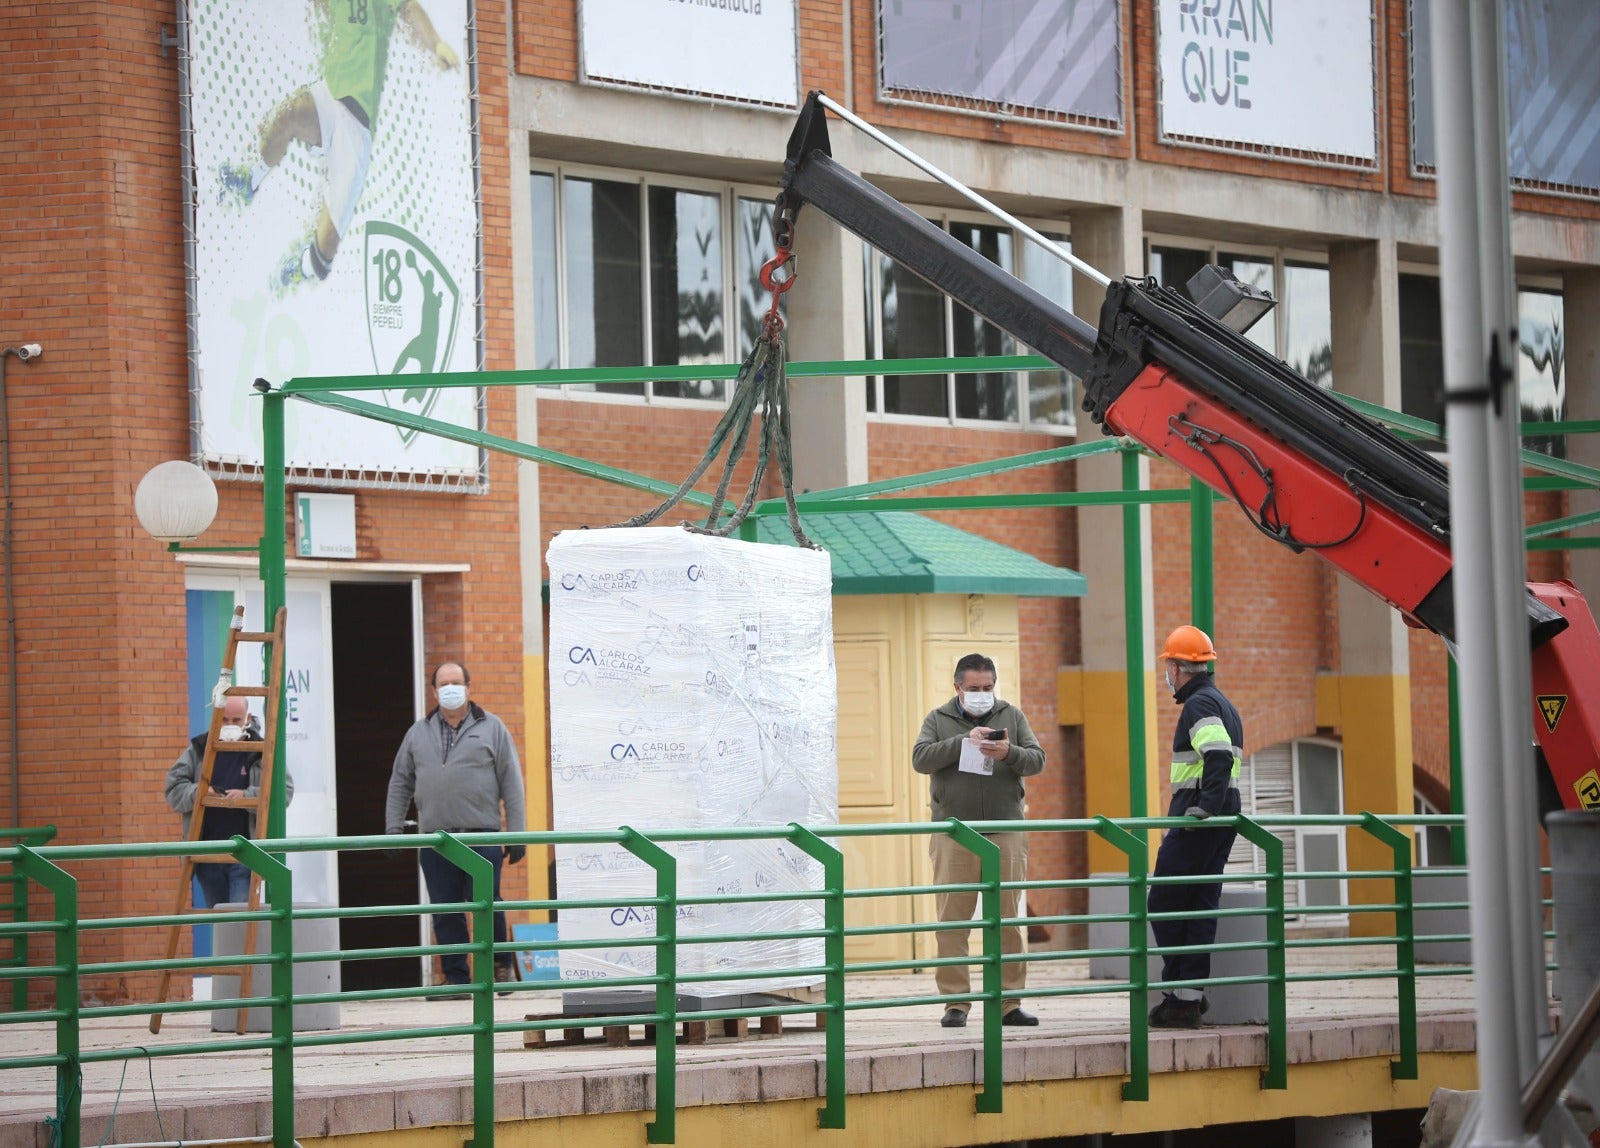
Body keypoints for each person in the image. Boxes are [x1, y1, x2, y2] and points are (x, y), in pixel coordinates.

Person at [217, 0, 460, 292]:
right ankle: (250, 179)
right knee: (287, 114)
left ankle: (303, 266)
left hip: (357, 122)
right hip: (330, 93)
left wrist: (436, 44)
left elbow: (410, 10)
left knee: (325, 252)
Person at [912, 653, 1046, 1029]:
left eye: (988, 687)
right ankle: (956, 1003)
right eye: (974, 688)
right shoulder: (938, 719)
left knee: (1007, 922)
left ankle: (1009, 1003)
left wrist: (1009, 753)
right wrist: (961, 743)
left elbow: (1037, 759)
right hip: (955, 834)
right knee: (952, 922)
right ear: (958, 687)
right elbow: (920, 759)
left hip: (1006, 832)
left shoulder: (1012, 716)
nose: (982, 693)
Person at [385, 662, 526, 995]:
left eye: (456, 682)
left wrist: (517, 834)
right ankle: (456, 978)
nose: (450, 688)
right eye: (443, 684)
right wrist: (393, 828)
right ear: (434, 691)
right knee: (445, 909)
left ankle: (499, 968)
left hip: (482, 835)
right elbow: (400, 782)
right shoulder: (418, 732)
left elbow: (512, 782)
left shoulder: (492, 727)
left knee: (487, 904)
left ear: (468, 687)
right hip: (437, 840)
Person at [1147, 625, 1244, 1029]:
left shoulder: (1199, 705)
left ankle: (1181, 995)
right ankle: (1188, 996)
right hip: (1221, 822)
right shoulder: (1222, 702)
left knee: (1164, 902)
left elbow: (1218, 754)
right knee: (1200, 904)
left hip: (1198, 824)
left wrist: (1204, 808)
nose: (1167, 674)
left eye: (1168, 667)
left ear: (1175, 667)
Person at [165, 696, 295, 908]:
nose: (230, 725)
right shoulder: (200, 748)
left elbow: (284, 793)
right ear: (215, 718)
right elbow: (173, 789)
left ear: (248, 718)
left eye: (236, 720)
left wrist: (246, 796)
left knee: (238, 917)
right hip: (208, 853)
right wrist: (200, 792)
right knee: (220, 918)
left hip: (247, 853)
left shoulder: (262, 751)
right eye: (224, 719)